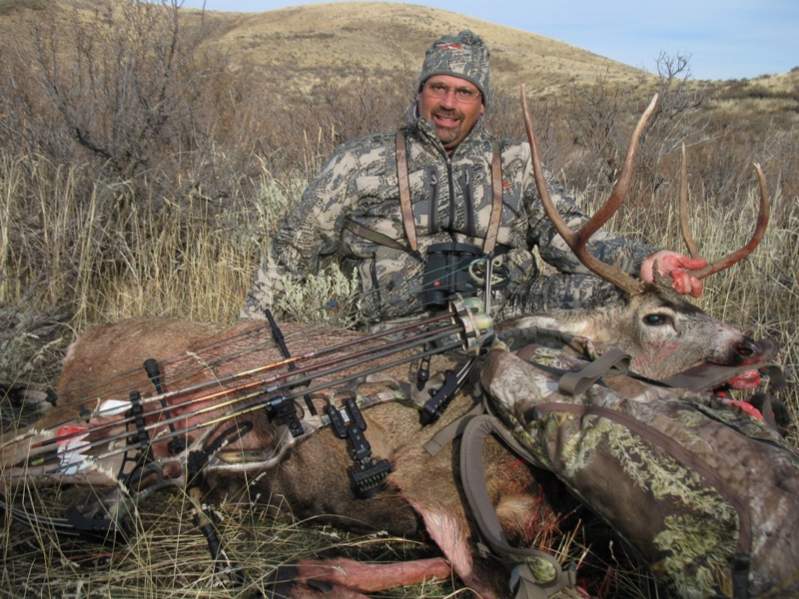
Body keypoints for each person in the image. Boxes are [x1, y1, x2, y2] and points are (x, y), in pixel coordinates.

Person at [242, 30, 706, 325]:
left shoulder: (517, 161)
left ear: (482, 104)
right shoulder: (358, 160)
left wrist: (646, 261)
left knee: (629, 300)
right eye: (438, 87)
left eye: (464, 92)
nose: (449, 102)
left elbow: (569, 239)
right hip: (386, 320)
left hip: (505, 308)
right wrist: (250, 331)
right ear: (420, 92)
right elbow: (293, 248)